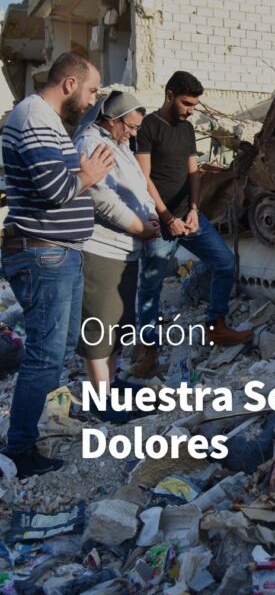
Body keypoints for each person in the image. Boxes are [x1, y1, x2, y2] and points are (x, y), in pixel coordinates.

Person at [0, 52, 114, 477]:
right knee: (44, 358)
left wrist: (84, 173)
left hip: (59, 252)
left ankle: (26, 432)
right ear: (69, 84)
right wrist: (89, 175)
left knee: (59, 350)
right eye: (90, 91)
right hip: (43, 253)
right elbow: (53, 189)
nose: (91, 100)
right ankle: (20, 449)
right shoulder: (33, 117)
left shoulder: (50, 122)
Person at [132, 71, 252, 377]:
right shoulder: (148, 127)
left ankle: (216, 325)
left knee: (225, 262)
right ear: (169, 95)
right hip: (160, 223)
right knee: (150, 287)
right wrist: (168, 218)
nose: (191, 109)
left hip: (189, 217)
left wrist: (196, 209)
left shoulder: (186, 129)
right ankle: (148, 350)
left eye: (195, 104)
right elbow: (143, 178)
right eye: (186, 103)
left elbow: (193, 173)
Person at [74, 91, 160, 414]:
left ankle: (109, 383)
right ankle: (99, 400)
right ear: (112, 119)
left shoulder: (121, 146)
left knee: (119, 324)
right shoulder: (91, 143)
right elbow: (103, 199)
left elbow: (141, 186)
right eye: (131, 127)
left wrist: (150, 214)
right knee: (99, 326)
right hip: (101, 248)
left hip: (127, 250)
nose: (134, 133)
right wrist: (140, 227)